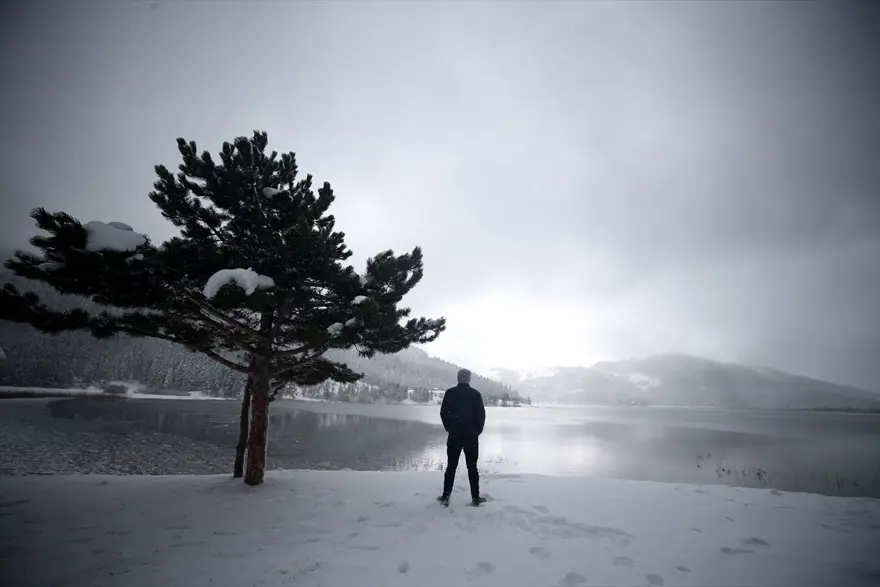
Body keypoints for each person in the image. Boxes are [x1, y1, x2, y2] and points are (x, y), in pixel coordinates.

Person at [437, 368, 487, 507]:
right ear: (469, 379)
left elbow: (443, 413)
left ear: (458, 378)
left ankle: (446, 497)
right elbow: (481, 415)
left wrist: (450, 428)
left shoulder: (450, 393)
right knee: (472, 467)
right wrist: (476, 431)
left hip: (454, 435)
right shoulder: (475, 395)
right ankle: (475, 498)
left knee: (451, 467)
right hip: (471, 436)